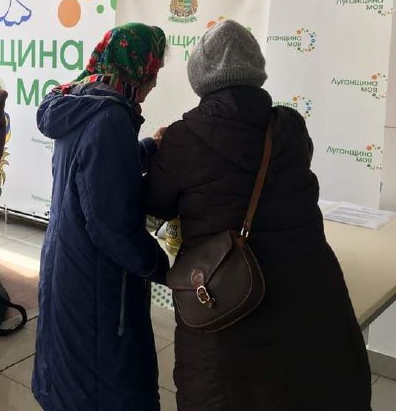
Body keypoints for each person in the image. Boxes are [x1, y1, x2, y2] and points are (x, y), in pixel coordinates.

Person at [144, 20, 371, 411]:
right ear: (256, 71)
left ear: (200, 78)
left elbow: (156, 204)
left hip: (229, 306)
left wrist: (156, 151)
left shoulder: (184, 137)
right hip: (312, 299)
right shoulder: (290, 128)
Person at [32, 22, 171, 411]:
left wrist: (147, 147)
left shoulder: (80, 101)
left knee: (71, 372)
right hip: (95, 278)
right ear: (137, 68)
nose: (153, 84)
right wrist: (162, 267)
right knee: (100, 381)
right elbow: (112, 228)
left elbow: (93, 173)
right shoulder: (110, 118)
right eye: (153, 72)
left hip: (68, 261)